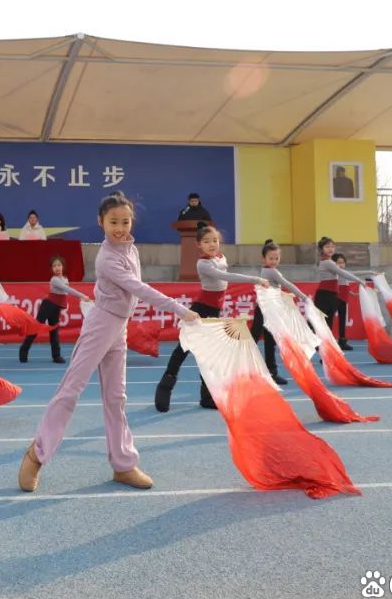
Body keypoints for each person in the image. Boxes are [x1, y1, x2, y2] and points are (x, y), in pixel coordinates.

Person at [18, 191, 201, 493]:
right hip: (101, 324)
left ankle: (123, 464)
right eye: (113, 221)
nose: (120, 227)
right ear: (100, 222)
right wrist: (181, 310)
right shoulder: (106, 258)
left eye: (125, 221)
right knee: (71, 390)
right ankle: (36, 455)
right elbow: (138, 288)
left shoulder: (132, 249)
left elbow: (134, 290)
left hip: (120, 327)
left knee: (117, 398)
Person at [155, 222, 268, 412]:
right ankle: (164, 390)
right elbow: (226, 277)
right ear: (199, 245)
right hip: (200, 311)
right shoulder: (203, 264)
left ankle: (207, 397)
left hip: (215, 313)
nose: (212, 244)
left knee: (210, 355)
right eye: (206, 241)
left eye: (215, 240)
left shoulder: (221, 258)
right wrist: (256, 279)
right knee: (182, 349)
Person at [251, 240, 308, 385]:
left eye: (276, 258)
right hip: (265, 310)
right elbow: (287, 284)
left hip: (269, 310)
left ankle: (270, 372)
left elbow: (274, 289)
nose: (274, 261)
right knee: (257, 340)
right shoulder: (272, 271)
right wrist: (303, 297)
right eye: (271, 258)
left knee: (264, 341)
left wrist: (283, 295)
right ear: (263, 259)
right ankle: (256, 371)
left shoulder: (266, 270)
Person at [19, 255, 89, 364]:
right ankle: (23, 350)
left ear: (63, 266)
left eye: (59, 265)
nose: (57, 268)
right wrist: (82, 296)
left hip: (56, 307)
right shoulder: (54, 280)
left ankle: (56, 356)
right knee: (36, 328)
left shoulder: (65, 279)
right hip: (47, 306)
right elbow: (67, 289)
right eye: (54, 266)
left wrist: (71, 304)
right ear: (51, 268)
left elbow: (64, 295)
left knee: (54, 331)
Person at [312, 237, 363, 351]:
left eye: (332, 246)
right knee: (324, 325)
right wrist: (359, 281)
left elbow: (341, 275)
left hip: (331, 295)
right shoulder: (328, 262)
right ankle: (321, 347)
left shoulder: (329, 262)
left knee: (327, 325)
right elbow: (342, 273)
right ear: (321, 249)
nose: (330, 249)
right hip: (325, 296)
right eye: (327, 247)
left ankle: (326, 351)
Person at [332, 252, 353, 347]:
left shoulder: (344, 273)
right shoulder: (335, 273)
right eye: (338, 263)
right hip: (336, 298)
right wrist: (370, 272)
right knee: (327, 319)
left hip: (344, 299)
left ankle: (342, 340)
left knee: (342, 320)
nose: (341, 265)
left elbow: (345, 285)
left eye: (343, 263)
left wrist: (352, 293)